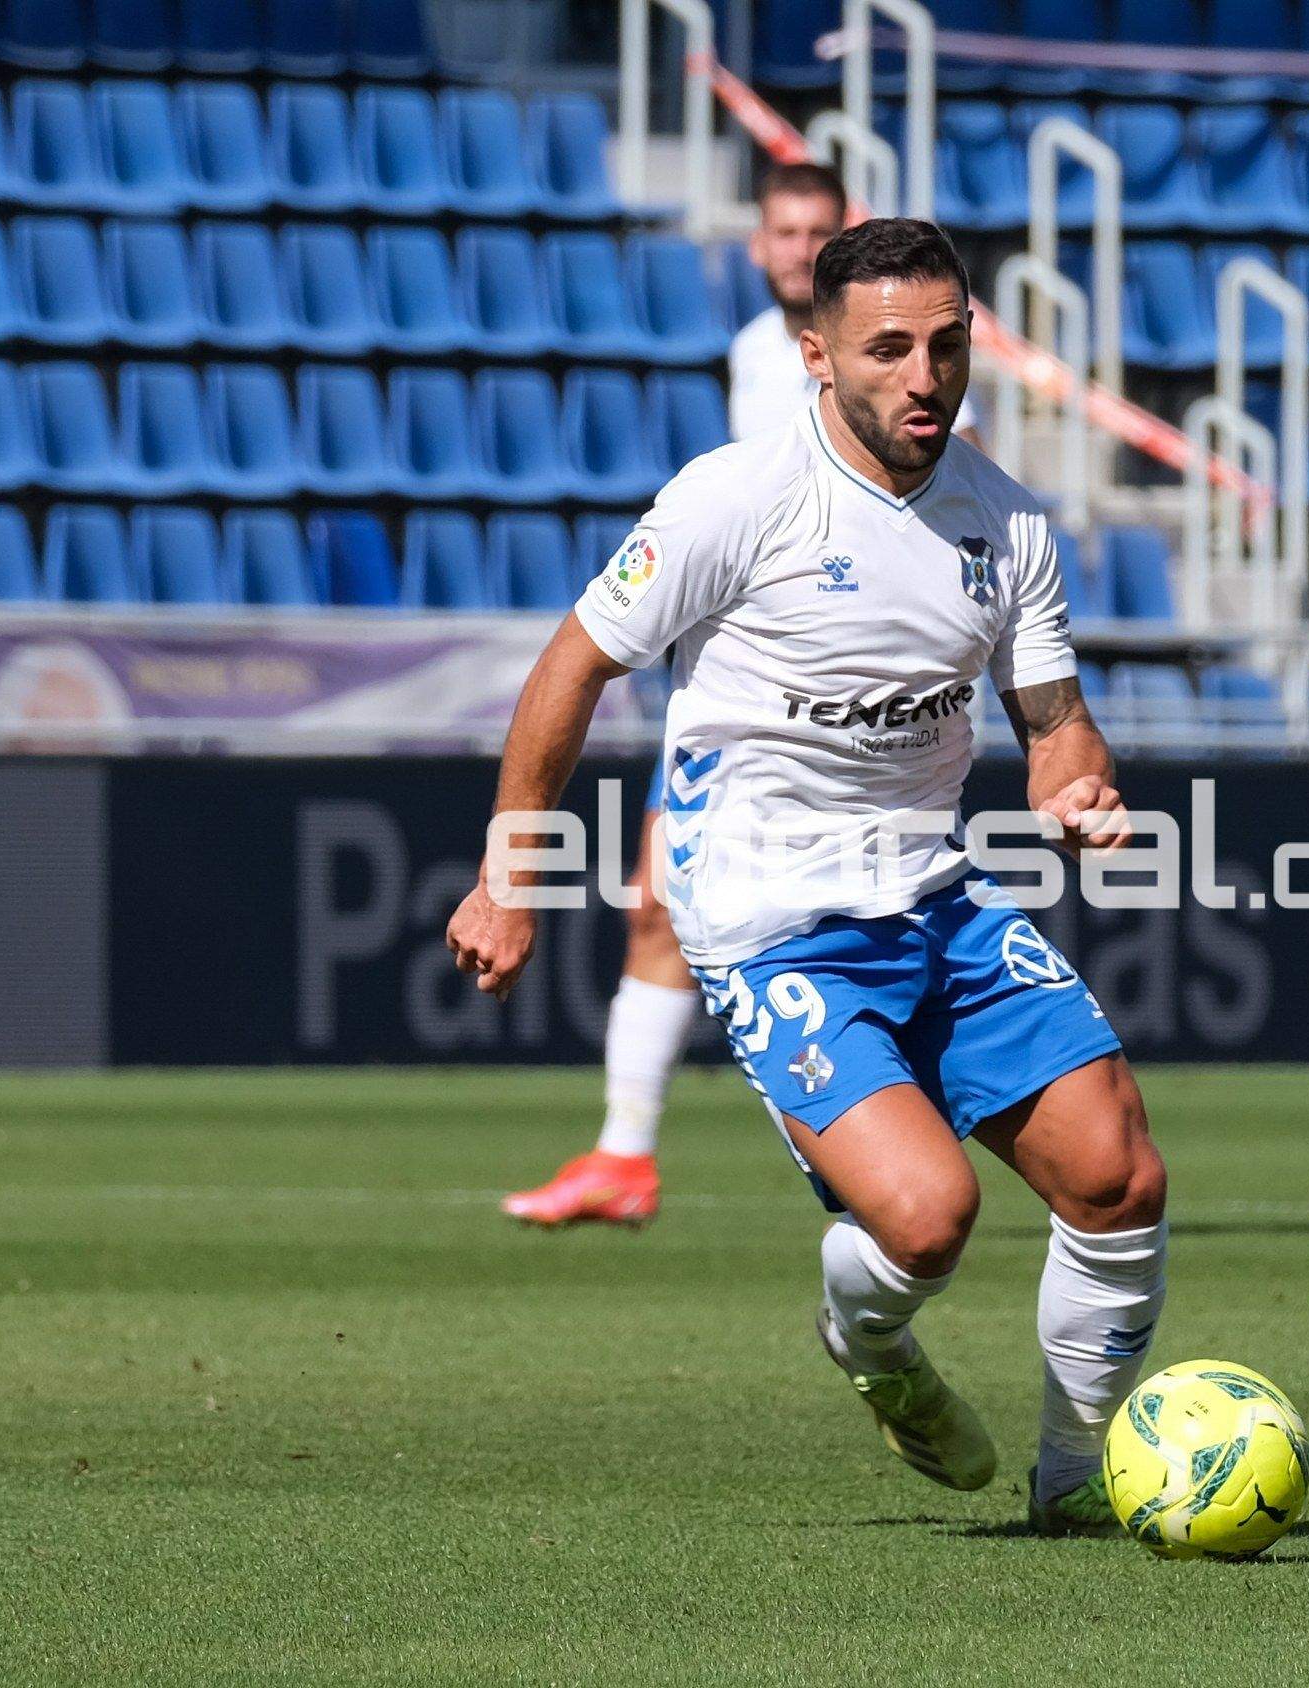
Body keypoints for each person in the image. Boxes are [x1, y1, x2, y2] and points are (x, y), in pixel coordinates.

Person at [450, 219, 1165, 1534]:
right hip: (770, 922)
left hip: (935, 897)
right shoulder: (736, 499)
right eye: (888, 348)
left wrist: (1074, 786)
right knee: (929, 1219)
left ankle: (1079, 1477)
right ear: (817, 356)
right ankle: (875, 1347)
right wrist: (512, 875)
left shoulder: (1005, 525)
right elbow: (572, 664)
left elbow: (1054, 720)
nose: (924, 377)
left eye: (947, 345)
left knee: (1118, 1176)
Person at [502, 162, 981, 1228]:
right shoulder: (755, 356)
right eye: (783, 229)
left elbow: (940, 484)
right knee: (657, 906)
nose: (798, 245)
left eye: (819, 227)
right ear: (757, 243)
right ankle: (629, 1150)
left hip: (850, 709)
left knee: (719, 906)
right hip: (751, 686)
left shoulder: (896, 350)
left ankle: (672, 1145)